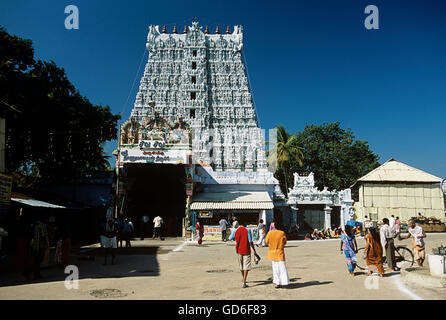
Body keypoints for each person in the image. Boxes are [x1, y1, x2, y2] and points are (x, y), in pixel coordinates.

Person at [229, 221, 258, 288]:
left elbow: (230, 238)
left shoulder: (236, 230)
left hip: (238, 250)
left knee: (241, 266)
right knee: (246, 266)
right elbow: (250, 241)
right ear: (245, 223)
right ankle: (244, 281)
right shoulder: (247, 230)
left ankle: (243, 279)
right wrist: (254, 250)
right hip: (246, 250)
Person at [265, 222, 289, 288]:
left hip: (272, 253)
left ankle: (277, 283)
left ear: (274, 226)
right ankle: (284, 282)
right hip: (280, 253)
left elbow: (266, 241)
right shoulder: (282, 233)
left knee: (275, 269)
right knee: (282, 268)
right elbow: (285, 242)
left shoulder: (270, 233)